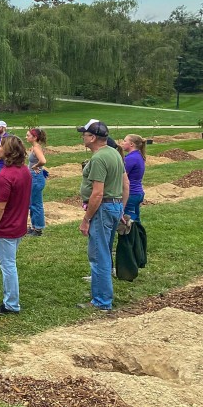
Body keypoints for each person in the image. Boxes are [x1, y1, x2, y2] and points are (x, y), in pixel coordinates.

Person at [77, 120, 129, 312]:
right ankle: (101, 292)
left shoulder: (99, 159)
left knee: (99, 256)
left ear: (92, 138)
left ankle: (101, 301)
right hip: (113, 207)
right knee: (104, 252)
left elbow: (97, 193)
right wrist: (120, 209)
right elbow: (126, 185)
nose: (82, 137)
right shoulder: (115, 153)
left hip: (103, 210)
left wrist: (86, 219)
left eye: (84, 134)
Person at [0, 135, 32, 315]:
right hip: (19, 225)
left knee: (8, 266)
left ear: (8, 151)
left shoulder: (5, 175)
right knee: (9, 264)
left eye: (2, 146)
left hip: (6, 228)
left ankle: (11, 304)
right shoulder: (25, 170)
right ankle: (11, 301)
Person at [26, 129, 48, 236]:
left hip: (36, 177)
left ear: (34, 137)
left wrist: (35, 166)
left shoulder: (36, 148)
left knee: (36, 203)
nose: (26, 137)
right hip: (33, 177)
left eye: (28, 135)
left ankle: (38, 228)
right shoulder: (34, 147)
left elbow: (43, 161)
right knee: (32, 202)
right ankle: (34, 226)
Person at [120, 134, 146, 222]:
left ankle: (130, 236)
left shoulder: (130, 159)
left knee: (127, 223)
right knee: (136, 222)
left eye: (124, 141)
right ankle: (139, 235)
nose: (122, 143)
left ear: (131, 144)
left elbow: (122, 178)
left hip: (130, 194)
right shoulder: (139, 156)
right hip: (138, 193)